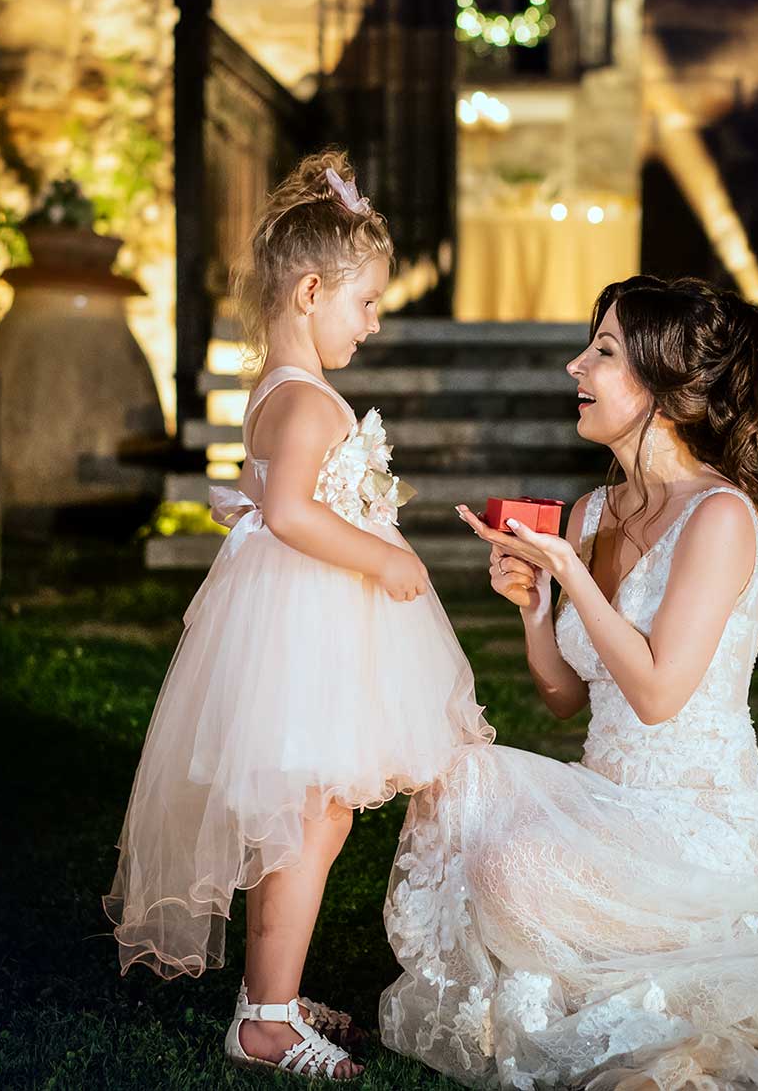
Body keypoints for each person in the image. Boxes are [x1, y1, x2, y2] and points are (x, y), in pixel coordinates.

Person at [379, 275, 758, 1089]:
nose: (576, 366)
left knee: (510, 870)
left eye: (603, 352)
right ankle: (591, 954)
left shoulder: (720, 517)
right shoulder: (592, 512)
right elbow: (566, 698)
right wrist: (535, 610)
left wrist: (573, 576)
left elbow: (656, 695)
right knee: (459, 783)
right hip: (607, 804)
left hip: (698, 829)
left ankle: (642, 964)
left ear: (663, 388)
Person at [103, 149, 493, 1080]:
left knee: (310, 818)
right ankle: (266, 1024)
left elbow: (263, 499)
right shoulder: (311, 404)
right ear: (311, 293)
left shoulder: (277, 392)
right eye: (367, 304)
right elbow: (288, 513)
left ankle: (271, 992)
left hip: (302, 623)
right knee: (310, 819)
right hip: (312, 630)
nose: (373, 323)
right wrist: (384, 554)